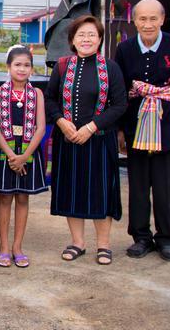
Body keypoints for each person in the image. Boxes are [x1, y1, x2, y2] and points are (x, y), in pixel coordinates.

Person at [114, 0, 170, 262]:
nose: (147, 24)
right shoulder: (125, 49)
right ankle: (141, 238)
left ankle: (165, 239)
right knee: (138, 187)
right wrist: (120, 130)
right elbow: (120, 91)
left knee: (166, 187)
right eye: (142, 19)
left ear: (162, 19)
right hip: (136, 128)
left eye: (153, 19)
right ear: (134, 20)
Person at [45, 15, 127, 265]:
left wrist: (91, 127)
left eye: (92, 34)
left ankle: (103, 245)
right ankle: (77, 242)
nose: (86, 39)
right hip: (68, 140)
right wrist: (61, 121)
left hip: (99, 141)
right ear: (72, 40)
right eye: (81, 35)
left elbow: (120, 105)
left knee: (101, 192)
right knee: (72, 191)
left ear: (100, 39)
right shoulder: (62, 66)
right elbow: (49, 99)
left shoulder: (110, 68)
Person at [0, 46, 48, 268]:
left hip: (29, 151)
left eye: (26, 65)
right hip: (7, 151)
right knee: (5, 197)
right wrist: (12, 155)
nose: (22, 69)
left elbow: (41, 128)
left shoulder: (36, 94)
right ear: (8, 67)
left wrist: (25, 156)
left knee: (23, 198)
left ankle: (17, 247)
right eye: (17, 64)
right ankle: (3, 247)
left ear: (32, 68)